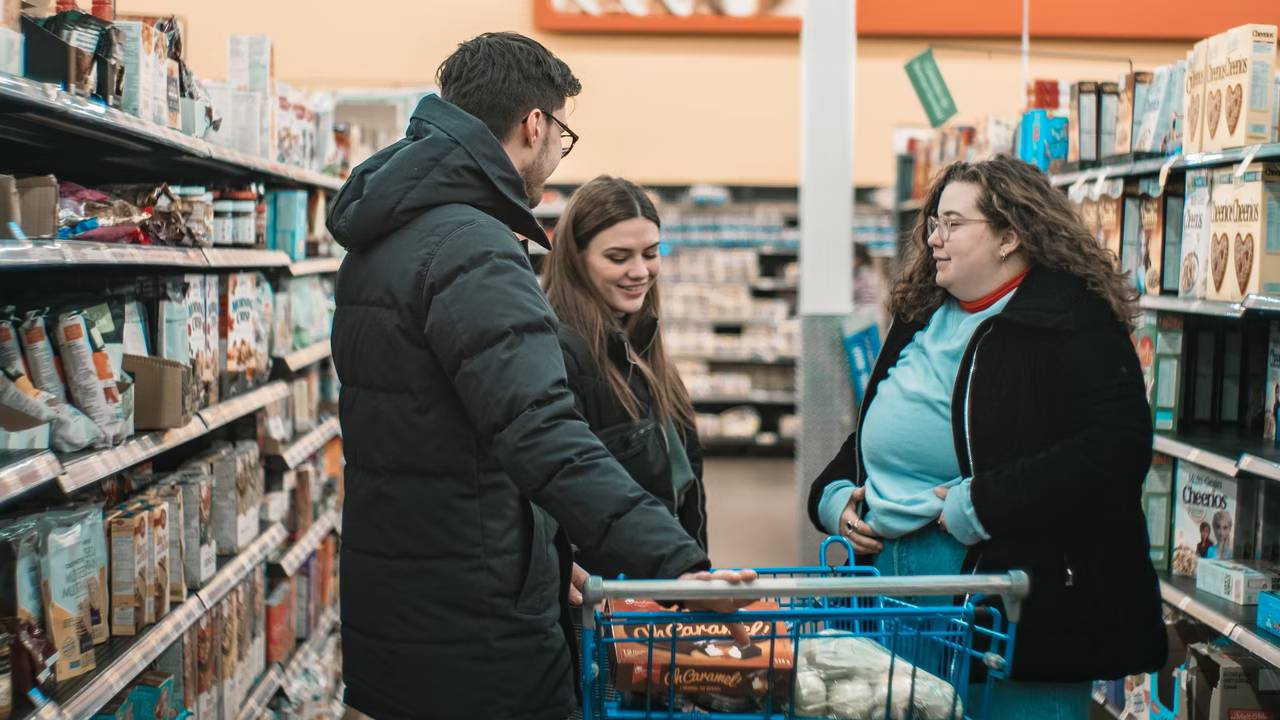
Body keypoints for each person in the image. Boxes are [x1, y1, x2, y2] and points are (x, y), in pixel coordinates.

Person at [327, 33, 753, 720]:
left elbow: (446, 440)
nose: (558, 153)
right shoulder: (473, 247)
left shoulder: (386, 236)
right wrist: (681, 568)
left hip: (402, 601)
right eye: (563, 134)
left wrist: (550, 557)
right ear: (536, 125)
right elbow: (543, 434)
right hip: (479, 628)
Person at [807, 156, 1166, 718]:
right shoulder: (923, 312)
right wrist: (833, 494)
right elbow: (881, 428)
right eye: (933, 223)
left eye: (953, 223)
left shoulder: (1070, 320)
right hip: (896, 597)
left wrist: (984, 502)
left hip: (1015, 605)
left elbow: (1115, 449)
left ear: (1009, 236)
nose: (934, 239)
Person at [543, 175, 707, 575]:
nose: (640, 271)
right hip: (609, 594)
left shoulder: (642, 340)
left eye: (651, 253)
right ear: (576, 258)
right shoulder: (561, 353)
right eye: (618, 257)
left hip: (661, 582)